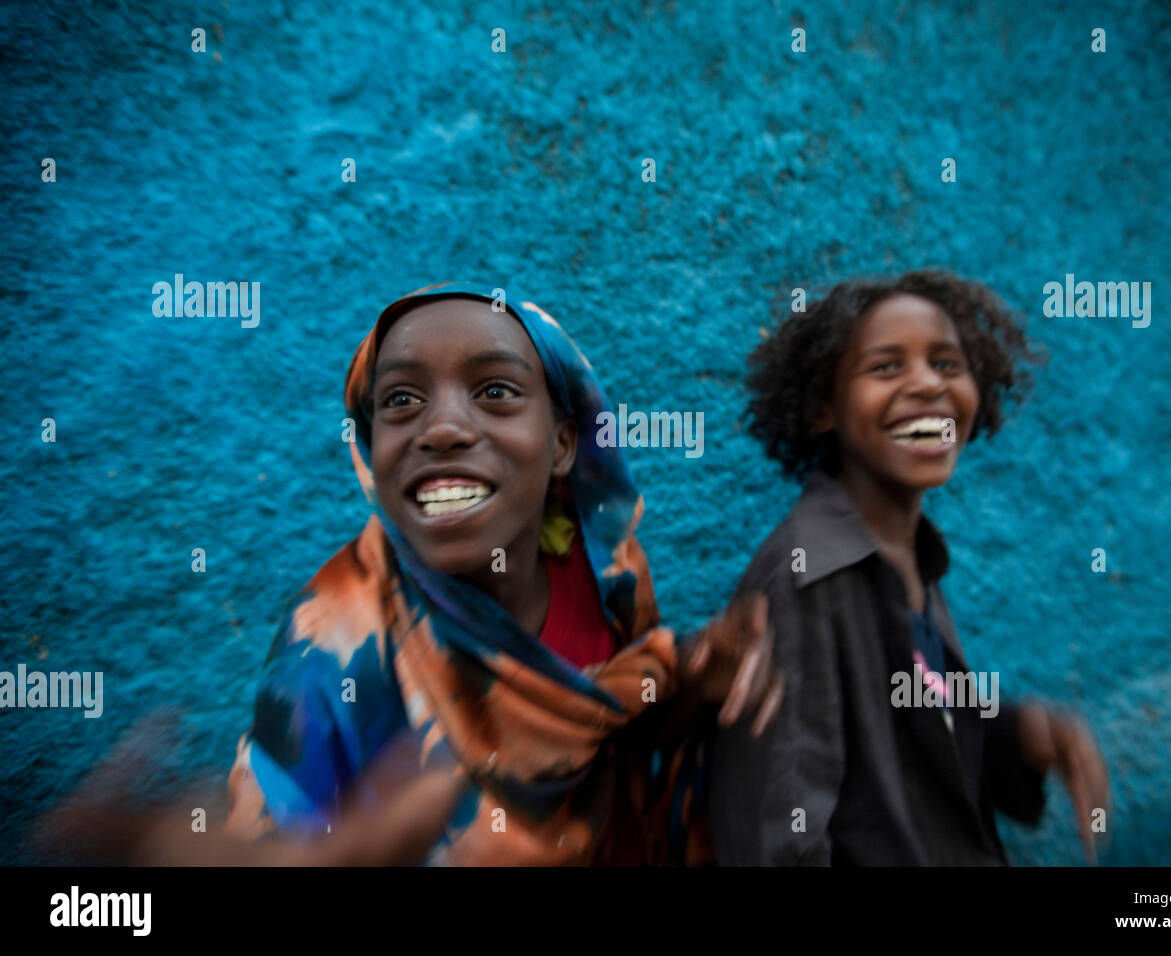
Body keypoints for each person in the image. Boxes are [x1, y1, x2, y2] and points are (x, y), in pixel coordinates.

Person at [215, 282, 784, 865]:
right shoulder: (331, 641)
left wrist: (695, 679)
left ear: (562, 443)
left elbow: (618, 735)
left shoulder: (605, 571)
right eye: (402, 400)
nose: (442, 429)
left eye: (494, 390)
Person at [708, 270, 1110, 866]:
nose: (927, 384)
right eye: (885, 367)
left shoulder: (911, 558)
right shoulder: (804, 578)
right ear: (824, 407)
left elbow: (913, 734)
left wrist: (1022, 735)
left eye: (947, 364)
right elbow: (781, 837)